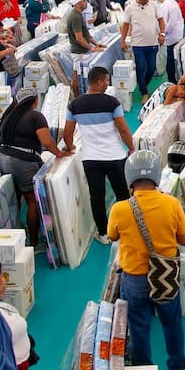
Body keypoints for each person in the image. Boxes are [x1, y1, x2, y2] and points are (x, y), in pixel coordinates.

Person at [107, 150, 185, 370]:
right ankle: (177, 367)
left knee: (138, 327)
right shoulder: (171, 203)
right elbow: (184, 240)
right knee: (171, 322)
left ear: (129, 178)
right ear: (156, 176)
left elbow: (112, 236)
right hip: (164, 275)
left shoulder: (119, 209)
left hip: (134, 279)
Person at [61, 66, 134, 243]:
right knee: (122, 194)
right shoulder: (112, 102)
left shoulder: (75, 104)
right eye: (106, 81)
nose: (107, 84)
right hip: (115, 156)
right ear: (99, 81)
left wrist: (70, 147)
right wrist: (131, 148)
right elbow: (123, 129)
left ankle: (103, 233)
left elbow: (67, 133)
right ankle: (126, 230)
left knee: (97, 197)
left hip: (91, 159)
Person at [0, 88, 66, 245]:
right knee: (32, 201)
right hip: (21, 161)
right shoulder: (36, 116)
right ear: (35, 101)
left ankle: (14, 238)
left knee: (15, 196)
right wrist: (59, 154)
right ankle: (33, 243)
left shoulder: (8, 116)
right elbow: (46, 141)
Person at [120, 0, 164, 98]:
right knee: (140, 67)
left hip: (153, 42)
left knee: (152, 67)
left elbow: (161, 20)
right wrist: (123, 40)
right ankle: (144, 92)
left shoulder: (154, 5)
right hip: (138, 44)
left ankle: (145, 83)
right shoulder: (130, 8)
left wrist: (162, 34)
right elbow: (125, 25)